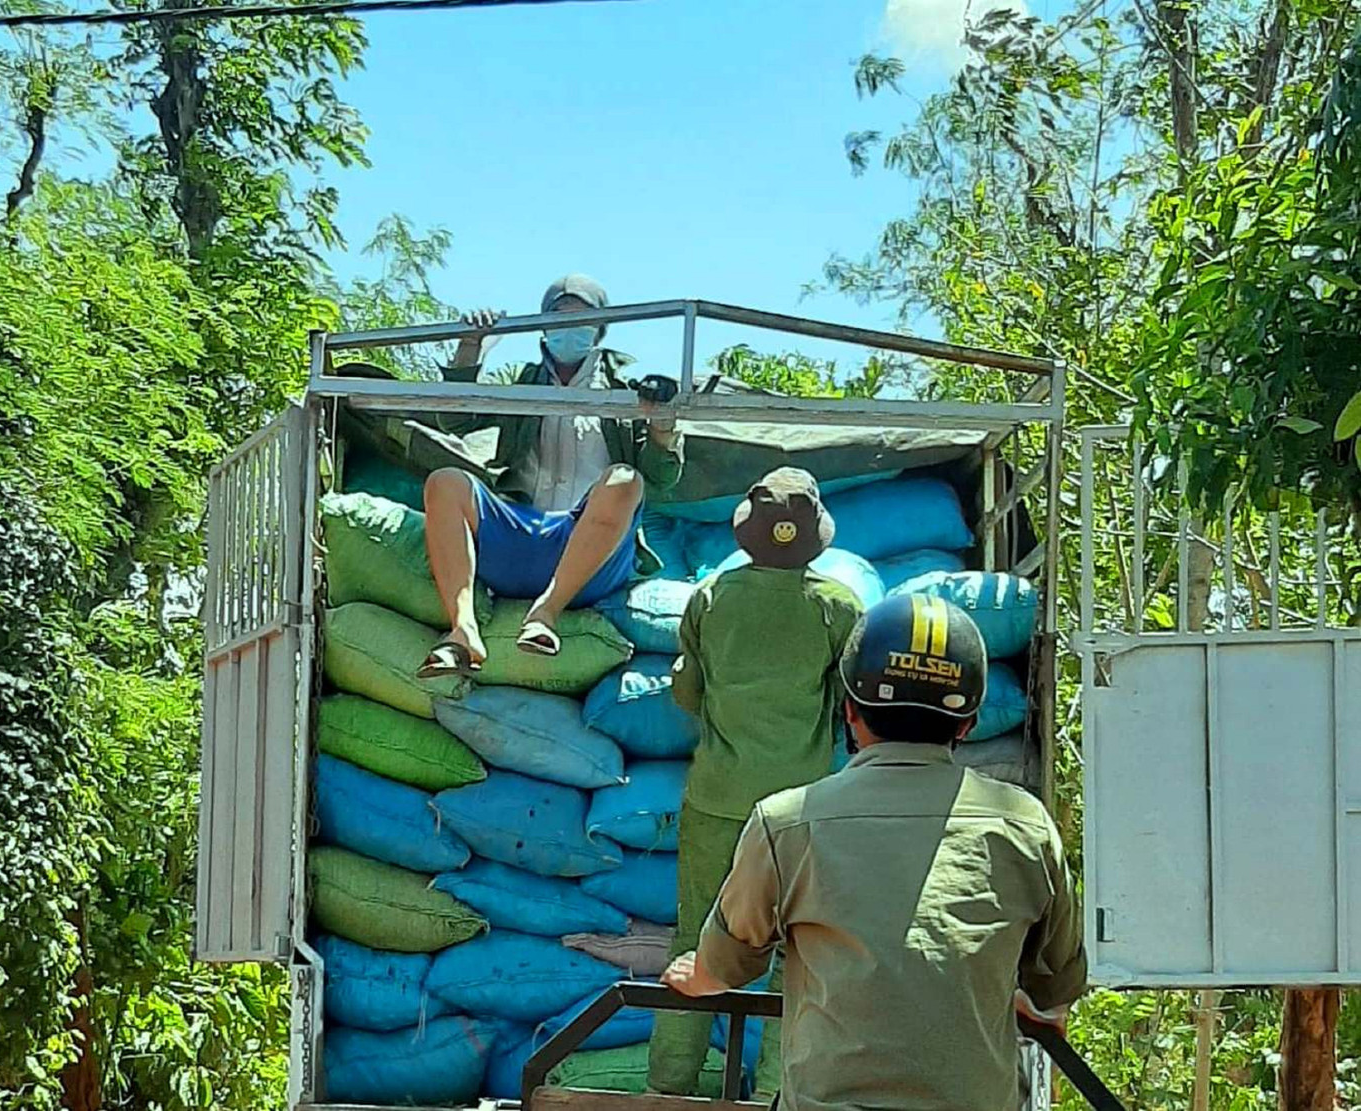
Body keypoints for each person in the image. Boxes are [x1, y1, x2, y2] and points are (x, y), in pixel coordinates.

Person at [661, 592, 1088, 1111]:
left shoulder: (787, 823)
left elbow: (727, 965)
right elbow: (1054, 989)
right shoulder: (1025, 825)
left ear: (849, 711)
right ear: (968, 723)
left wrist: (698, 975)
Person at [647, 468, 864, 1100]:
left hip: (718, 800)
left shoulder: (711, 598)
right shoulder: (839, 608)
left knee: (696, 946)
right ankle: (774, 1094)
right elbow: (849, 704)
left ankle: (668, 1091)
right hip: (803, 809)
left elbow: (687, 693)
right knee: (796, 953)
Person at [415, 274, 683, 677]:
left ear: (600, 328)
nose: (569, 326)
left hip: (591, 556)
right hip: (517, 538)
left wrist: (662, 424)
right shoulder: (525, 384)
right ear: (543, 325)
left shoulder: (627, 392)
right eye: (559, 316)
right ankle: (463, 630)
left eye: (581, 317)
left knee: (626, 480)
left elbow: (661, 479)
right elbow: (454, 419)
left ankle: (546, 614)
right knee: (445, 482)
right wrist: (470, 346)